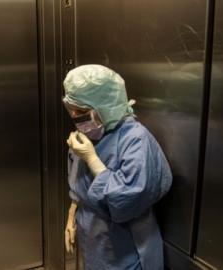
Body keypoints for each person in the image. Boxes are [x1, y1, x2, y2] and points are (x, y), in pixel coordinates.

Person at [63, 65, 172, 270]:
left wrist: (93, 160)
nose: (76, 116)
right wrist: (72, 216)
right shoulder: (90, 133)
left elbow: (129, 197)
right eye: (72, 110)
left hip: (124, 245)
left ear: (105, 106)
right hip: (93, 239)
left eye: (82, 111)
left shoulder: (135, 140)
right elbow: (78, 182)